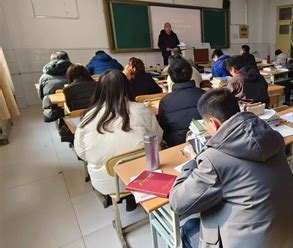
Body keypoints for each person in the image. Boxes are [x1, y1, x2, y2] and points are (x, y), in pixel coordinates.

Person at [169, 89, 293, 248]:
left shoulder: (214, 160)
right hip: (291, 245)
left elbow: (178, 203)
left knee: (189, 229)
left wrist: (192, 163)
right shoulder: (272, 136)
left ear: (213, 123)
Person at [74, 70, 163, 210]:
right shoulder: (141, 109)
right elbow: (157, 138)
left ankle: (128, 197)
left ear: (99, 90)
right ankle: (133, 196)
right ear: (127, 87)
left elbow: (81, 154)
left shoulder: (89, 117)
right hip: (144, 174)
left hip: (108, 181)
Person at [158, 58, 205, 147]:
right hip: (203, 143)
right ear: (191, 73)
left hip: (176, 145)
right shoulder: (206, 95)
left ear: (171, 77)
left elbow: (163, 128)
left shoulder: (165, 101)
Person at [39, 51, 72, 122]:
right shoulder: (74, 71)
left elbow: (41, 95)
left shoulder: (44, 76)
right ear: (67, 59)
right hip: (74, 106)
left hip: (53, 109)